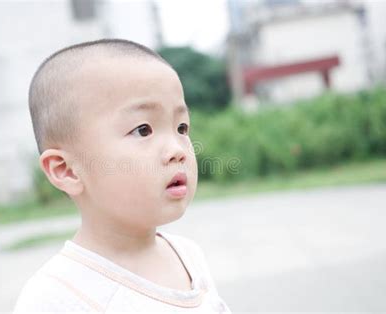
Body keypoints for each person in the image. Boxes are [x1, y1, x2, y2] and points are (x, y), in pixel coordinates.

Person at [13, 38, 231, 313]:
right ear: (66, 170)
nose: (178, 150)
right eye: (143, 130)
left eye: (182, 128)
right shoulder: (55, 297)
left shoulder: (189, 256)